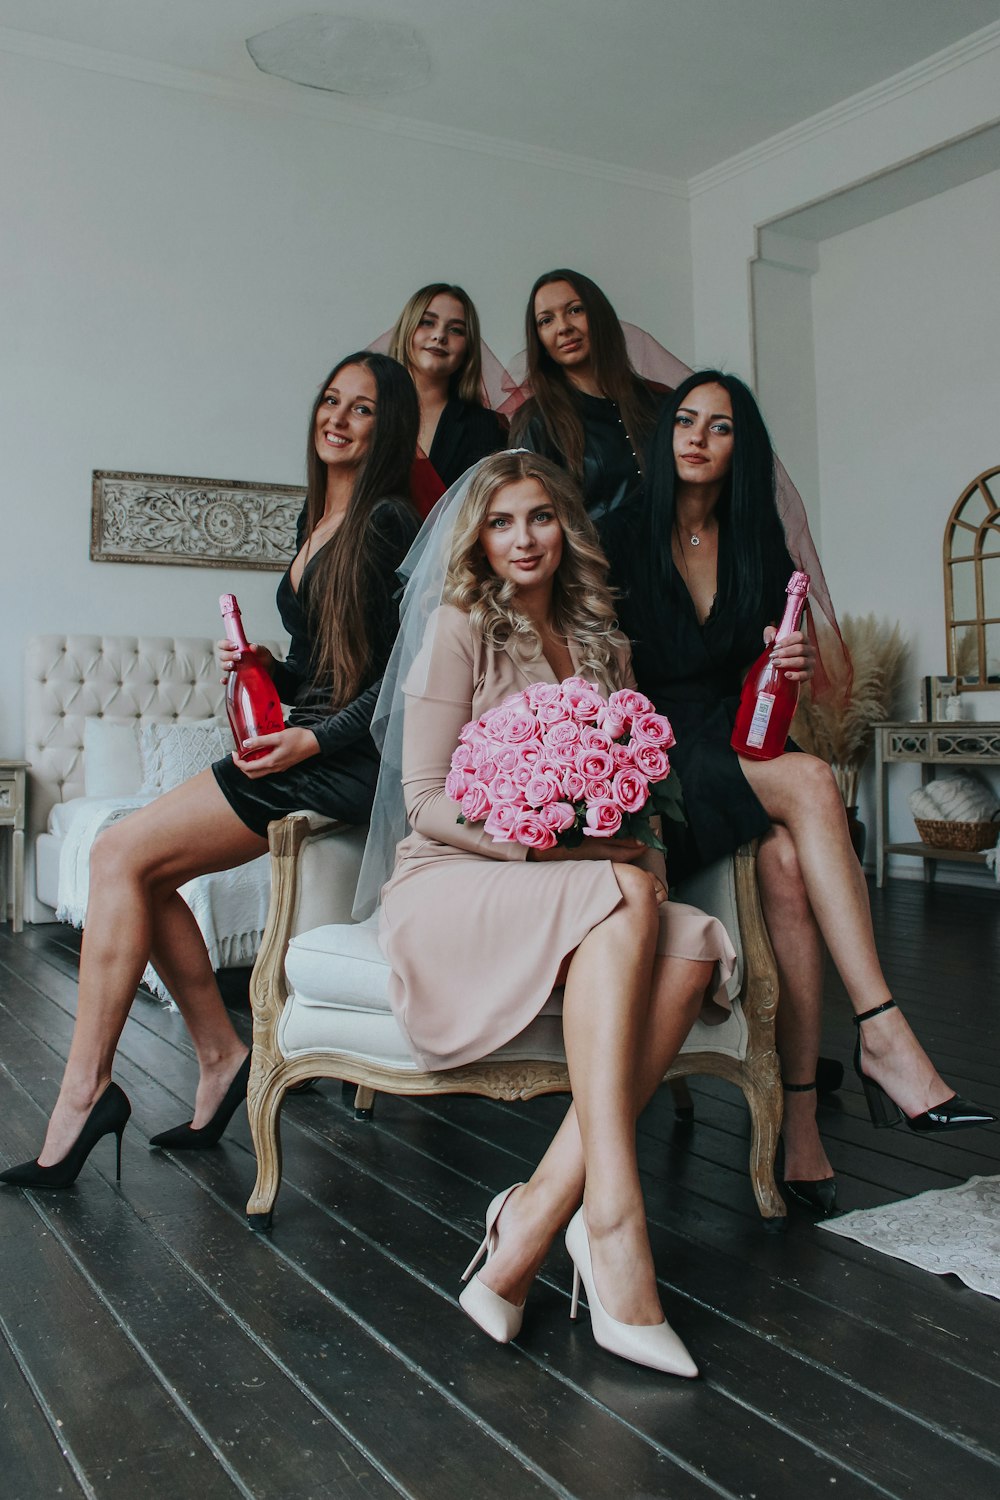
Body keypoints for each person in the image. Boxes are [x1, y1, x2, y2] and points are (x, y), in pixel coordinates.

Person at [1, 352, 420, 1189]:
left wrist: (314, 740)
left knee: (119, 854)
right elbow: (326, 661)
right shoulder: (317, 517)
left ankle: (84, 1095)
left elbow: (403, 674)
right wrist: (272, 665)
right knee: (133, 862)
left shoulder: (386, 522)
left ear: (391, 427)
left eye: (363, 409)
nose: (336, 417)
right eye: (330, 400)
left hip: (348, 759)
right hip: (301, 737)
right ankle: (222, 1055)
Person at [368, 449, 737, 1375]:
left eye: (539, 517)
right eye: (500, 523)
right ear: (479, 540)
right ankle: (614, 1226)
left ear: (565, 527)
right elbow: (422, 799)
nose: (522, 539)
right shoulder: (459, 625)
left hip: (580, 876)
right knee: (620, 890)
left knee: (692, 941)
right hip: (459, 877)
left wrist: (637, 851)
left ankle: (531, 1217)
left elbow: (634, 793)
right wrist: (542, 841)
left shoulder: (603, 641)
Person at [613, 370, 995, 1212]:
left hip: (740, 744)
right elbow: (604, 669)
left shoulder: (760, 546)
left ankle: (802, 1129)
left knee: (788, 864)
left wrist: (777, 663)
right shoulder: (620, 536)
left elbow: (764, 676)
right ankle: (884, 1031)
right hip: (662, 756)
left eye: (718, 427)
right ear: (665, 436)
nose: (696, 438)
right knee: (816, 778)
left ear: (739, 449)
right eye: (685, 421)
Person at [508, 269, 682, 533]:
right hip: (596, 570)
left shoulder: (661, 401)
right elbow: (534, 523)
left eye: (575, 310)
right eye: (546, 320)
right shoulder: (536, 421)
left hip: (676, 564)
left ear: (600, 316)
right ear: (539, 339)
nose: (563, 327)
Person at [386, 283, 507, 517]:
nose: (439, 335)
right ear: (406, 329)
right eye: (427, 322)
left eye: (456, 330)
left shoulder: (486, 427)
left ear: (468, 347)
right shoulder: (368, 411)